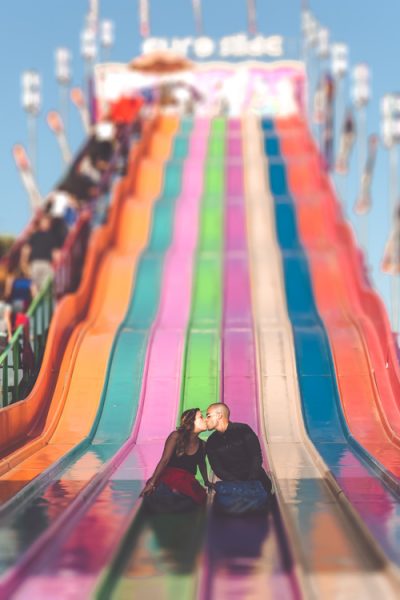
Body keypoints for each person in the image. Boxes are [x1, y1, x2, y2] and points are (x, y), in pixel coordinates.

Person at [140, 408, 211, 511]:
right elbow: (165, 460)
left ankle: (167, 504)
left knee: (194, 502)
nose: (205, 419)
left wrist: (206, 481)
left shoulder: (203, 445)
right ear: (191, 422)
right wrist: (152, 483)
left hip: (187, 481)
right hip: (170, 477)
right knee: (169, 493)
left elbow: (202, 463)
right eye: (201, 417)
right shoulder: (176, 436)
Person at [205, 403, 272, 494]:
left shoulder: (243, 430)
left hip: (258, 484)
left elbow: (256, 456)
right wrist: (238, 483)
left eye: (208, 416)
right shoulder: (211, 441)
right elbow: (217, 468)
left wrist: (250, 480)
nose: (206, 420)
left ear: (219, 415)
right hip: (235, 490)